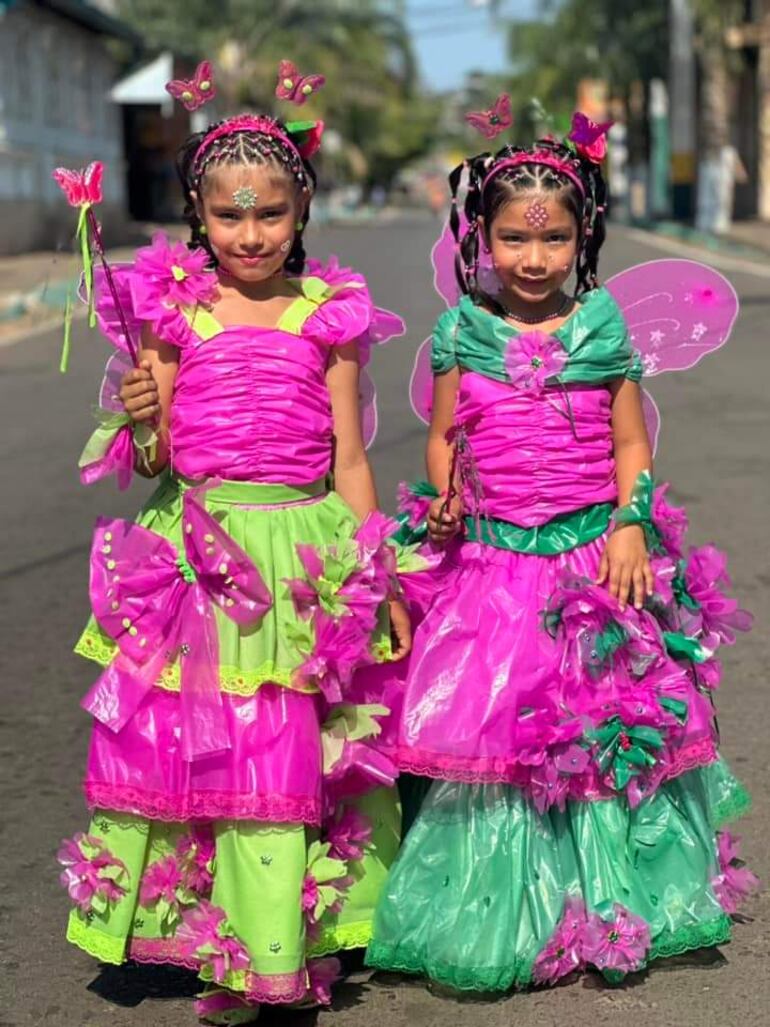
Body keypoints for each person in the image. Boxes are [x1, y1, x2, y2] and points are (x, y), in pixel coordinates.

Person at [366, 120, 756, 992]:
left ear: (585, 238)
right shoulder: (462, 333)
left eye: (554, 238)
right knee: (498, 735)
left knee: (594, 734)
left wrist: (630, 523)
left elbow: (631, 442)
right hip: (493, 563)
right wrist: (448, 493)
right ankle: (505, 904)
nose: (534, 258)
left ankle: (608, 899)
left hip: (590, 561)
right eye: (514, 237)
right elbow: (442, 436)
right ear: (481, 236)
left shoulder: (604, 328)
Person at [58, 109, 411, 1023]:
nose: (250, 235)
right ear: (197, 214)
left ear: (302, 210)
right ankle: (220, 941)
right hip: (195, 554)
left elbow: (350, 458)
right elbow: (156, 457)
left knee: (286, 748)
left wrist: (378, 570)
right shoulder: (173, 311)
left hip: (300, 559)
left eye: (270, 214)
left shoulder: (327, 316)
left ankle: (279, 944)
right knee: (202, 749)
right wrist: (142, 414)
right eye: (228, 216)